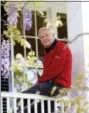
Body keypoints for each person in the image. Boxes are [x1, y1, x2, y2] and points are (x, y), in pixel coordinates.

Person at [23, 27, 72, 97]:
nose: (44, 38)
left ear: (53, 35)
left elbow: (55, 69)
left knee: (25, 95)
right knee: (39, 107)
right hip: (49, 84)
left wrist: (39, 81)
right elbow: (47, 72)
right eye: (42, 37)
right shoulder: (47, 52)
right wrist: (40, 82)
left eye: (47, 35)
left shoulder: (61, 47)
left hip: (59, 85)